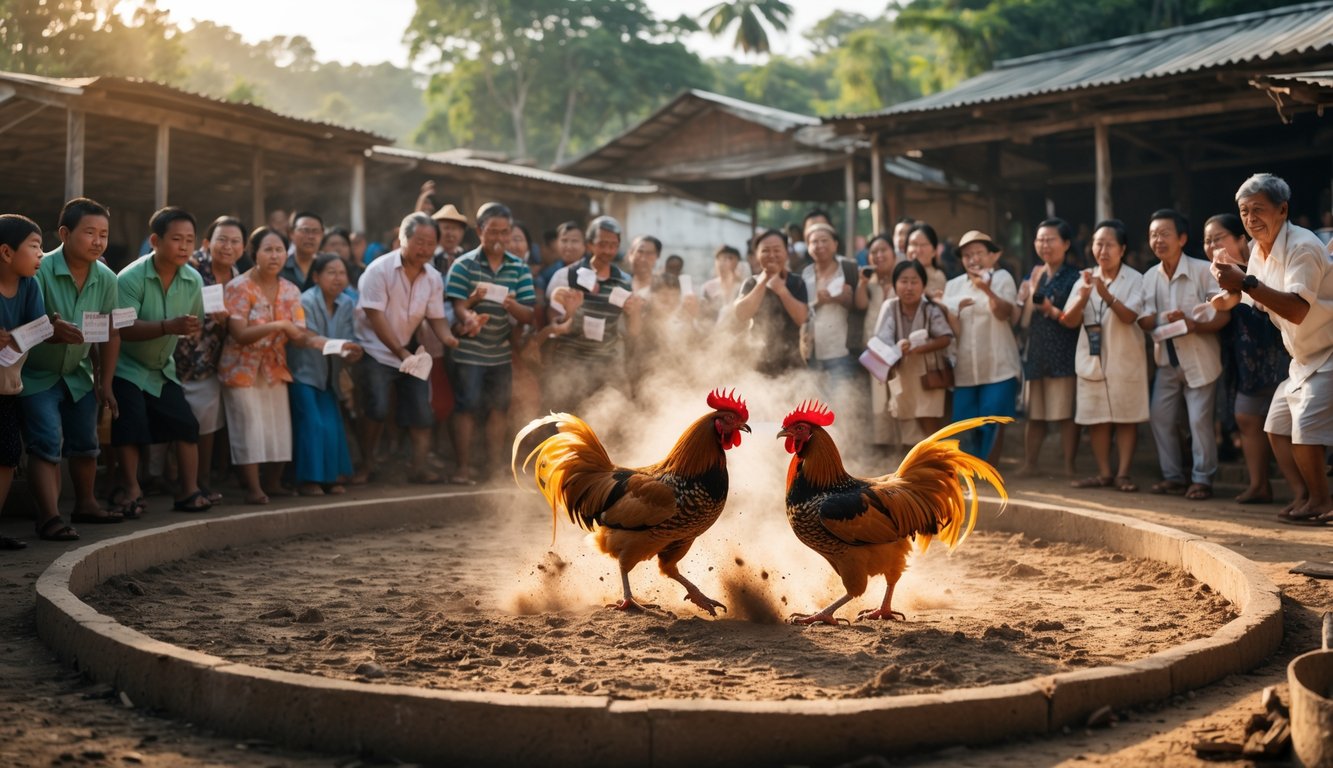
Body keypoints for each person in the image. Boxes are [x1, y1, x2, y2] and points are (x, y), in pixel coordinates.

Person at [1212, 174, 1333, 525]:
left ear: (1282, 210)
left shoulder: (1303, 246)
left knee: (1305, 427)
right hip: (1303, 356)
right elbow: (1256, 300)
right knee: (1276, 425)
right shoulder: (1259, 253)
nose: (1251, 219)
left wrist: (1244, 282)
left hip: (1328, 350)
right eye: (1244, 211)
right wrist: (1229, 295)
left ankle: (1323, 501)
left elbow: (1295, 308)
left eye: (1258, 210)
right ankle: (1304, 496)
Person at [21, 198, 125, 542]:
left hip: (79, 375)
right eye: (89, 233)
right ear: (64, 233)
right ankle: (49, 517)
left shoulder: (107, 277)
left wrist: (105, 381)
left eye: (104, 234)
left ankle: (86, 504)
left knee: (86, 444)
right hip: (36, 374)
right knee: (46, 443)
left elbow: (109, 332)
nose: (98, 241)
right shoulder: (37, 270)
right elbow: (22, 325)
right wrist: (50, 331)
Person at [110, 206, 210, 515]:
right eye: (176, 239)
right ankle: (131, 491)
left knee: (186, 425)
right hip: (125, 366)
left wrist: (191, 329)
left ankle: (189, 491)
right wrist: (169, 326)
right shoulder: (130, 277)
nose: (183, 247)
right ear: (155, 240)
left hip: (162, 368)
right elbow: (122, 328)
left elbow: (195, 322)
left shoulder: (193, 279)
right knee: (130, 426)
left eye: (189, 240)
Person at [352, 212, 460, 484]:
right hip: (375, 349)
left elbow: (436, 317)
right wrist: (401, 353)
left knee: (422, 412)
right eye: (419, 241)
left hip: (411, 350)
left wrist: (451, 339)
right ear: (402, 238)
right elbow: (375, 318)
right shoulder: (378, 270)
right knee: (375, 408)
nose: (424, 249)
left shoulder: (433, 277)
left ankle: (419, 467)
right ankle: (366, 465)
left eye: (430, 243)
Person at [218, 227, 314, 504]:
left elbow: (299, 334)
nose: (275, 255)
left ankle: (272, 482)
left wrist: (332, 344)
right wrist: (280, 325)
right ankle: (252, 487)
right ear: (254, 253)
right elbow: (239, 334)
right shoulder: (238, 287)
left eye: (280, 249)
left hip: (274, 366)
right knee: (247, 426)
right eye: (268, 249)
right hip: (240, 367)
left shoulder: (291, 290)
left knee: (276, 426)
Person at [1139, 208, 1228, 501]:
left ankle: (1202, 479)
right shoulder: (1150, 276)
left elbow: (1223, 315)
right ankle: (1173, 477)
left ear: (1182, 238)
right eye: (1153, 235)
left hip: (1199, 358)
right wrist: (1150, 321)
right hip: (1166, 360)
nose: (1158, 240)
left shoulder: (1204, 270)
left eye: (1165, 233)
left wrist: (1192, 323)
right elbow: (1146, 318)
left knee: (1199, 421)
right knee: (1160, 418)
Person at [444, 203, 536, 484]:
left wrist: (511, 304)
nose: (499, 237)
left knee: (499, 409)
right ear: (479, 231)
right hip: (469, 350)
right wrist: (471, 306)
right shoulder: (464, 264)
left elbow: (529, 312)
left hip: (500, 351)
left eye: (504, 232)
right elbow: (456, 306)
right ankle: (463, 467)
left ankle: (495, 468)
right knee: (466, 407)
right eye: (492, 231)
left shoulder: (519, 267)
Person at [1059, 220, 1149, 492]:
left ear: (1122, 249)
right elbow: (1068, 320)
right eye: (1098, 243)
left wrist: (1104, 294)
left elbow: (1130, 316)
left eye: (1109, 244)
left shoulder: (1136, 279)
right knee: (1097, 419)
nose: (1103, 249)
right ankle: (1104, 472)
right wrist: (1084, 295)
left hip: (1125, 359)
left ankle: (1123, 474)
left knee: (1126, 417)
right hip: (1092, 361)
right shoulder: (1084, 278)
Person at [1205, 212, 1287, 504]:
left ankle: (1303, 492)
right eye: (1207, 241)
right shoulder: (1217, 272)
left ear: (1241, 238)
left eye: (1218, 238)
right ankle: (1259, 485)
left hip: (1280, 352)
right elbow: (1224, 304)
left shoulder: (1265, 261)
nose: (1212, 245)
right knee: (1246, 417)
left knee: (1284, 423)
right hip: (1245, 357)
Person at [175, 215, 243, 504]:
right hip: (177, 355)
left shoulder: (239, 275)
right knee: (179, 422)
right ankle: (172, 479)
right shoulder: (190, 267)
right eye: (222, 240)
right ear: (207, 243)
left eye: (235, 241)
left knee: (206, 424)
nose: (228, 246)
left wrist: (227, 321)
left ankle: (200, 480)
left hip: (213, 360)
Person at [0, 214, 59, 544]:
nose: (41, 254)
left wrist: (51, 328)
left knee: (8, 455)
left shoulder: (29, 285)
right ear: (6, 252)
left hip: (6, 386)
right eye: (34, 246)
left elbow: (38, 329)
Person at [542, 216, 641, 411]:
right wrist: (569, 313)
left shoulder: (624, 281)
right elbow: (552, 323)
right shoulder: (566, 275)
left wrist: (636, 313)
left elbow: (634, 331)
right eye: (602, 244)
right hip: (570, 363)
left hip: (608, 365)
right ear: (589, 245)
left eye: (613, 245)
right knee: (570, 422)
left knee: (611, 421)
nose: (608, 250)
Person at [941, 230, 1020, 462]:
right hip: (964, 369)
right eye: (967, 255)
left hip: (998, 367)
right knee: (963, 424)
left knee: (993, 422)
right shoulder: (953, 286)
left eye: (979, 253)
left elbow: (1004, 313)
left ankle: (989, 472)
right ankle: (970, 472)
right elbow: (947, 324)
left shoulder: (1003, 277)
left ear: (994, 256)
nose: (973, 259)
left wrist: (985, 288)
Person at [288, 254, 363, 496]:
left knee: (332, 425)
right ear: (317, 276)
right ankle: (308, 480)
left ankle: (330, 478)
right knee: (313, 423)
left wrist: (352, 352)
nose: (338, 278)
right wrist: (334, 344)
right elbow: (302, 337)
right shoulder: (305, 300)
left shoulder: (347, 303)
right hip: (303, 373)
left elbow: (350, 339)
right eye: (331, 272)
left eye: (342, 272)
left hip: (330, 377)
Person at [1017, 217, 1081, 477]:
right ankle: (1030, 464)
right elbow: (1022, 320)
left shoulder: (1074, 277)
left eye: (1050, 239)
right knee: (1035, 415)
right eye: (1040, 239)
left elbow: (1073, 318)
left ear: (1065, 244)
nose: (1045, 245)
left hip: (1064, 353)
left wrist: (1038, 298)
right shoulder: (1032, 276)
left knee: (1065, 414)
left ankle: (1069, 466)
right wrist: (1029, 292)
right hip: (1037, 353)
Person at [875, 260, 954, 440]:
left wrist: (921, 348)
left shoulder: (930, 309)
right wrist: (896, 348)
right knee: (906, 424)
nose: (909, 287)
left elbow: (946, 338)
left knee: (929, 425)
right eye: (904, 281)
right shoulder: (890, 306)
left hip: (928, 374)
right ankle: (912, 467)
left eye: (914, 281)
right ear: (895, 284)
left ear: (923, 285)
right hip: (902, 373)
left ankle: (938, 466)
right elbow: (881, 340)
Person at [801, 222, 859, 414]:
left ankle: (843, 442)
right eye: (814, 241)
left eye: (824, 240)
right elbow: (803, 309)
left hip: (842, 350)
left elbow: (859, 305)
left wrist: (841, 299)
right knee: (817, 409)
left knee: (842, 406)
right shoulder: (806, 273)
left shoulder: (849, 268)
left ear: (835, 244)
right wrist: (817, 302)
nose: (819, 245)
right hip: (813, 351)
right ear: (808, 246)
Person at [734, 229, 808, 376]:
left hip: (792, 361)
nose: (772, 255)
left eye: (777, 250)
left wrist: (781, 290)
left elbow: (803, 319)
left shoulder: (797, 282)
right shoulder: (751, 282)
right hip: (757, 359)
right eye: (766, 250)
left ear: (786, 253)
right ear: (757, 255)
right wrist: (763, 281)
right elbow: (741, 314)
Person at [855, 234, 899, 449]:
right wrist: (862, 283)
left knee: (900, 397)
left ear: (894, 253)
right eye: (874, 252)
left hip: (900, 351)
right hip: (874, 351)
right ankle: (883, 447)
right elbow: (860, 304)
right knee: (878, 401)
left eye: (884, 250)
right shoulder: (870, 283)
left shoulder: (903, 279)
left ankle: (906, 446)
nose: (879, 255)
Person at [699, 245, 743, 328]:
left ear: (737, 262)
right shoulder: (708, 287)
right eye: (719, 259)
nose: (723, 262)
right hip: (712, 333)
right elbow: (703, 315)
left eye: (729, 258)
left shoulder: (742, 286)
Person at [280, 211, 323, 290]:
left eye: (315, 231)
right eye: (305, 230)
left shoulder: (326, 266)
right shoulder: (280, 265)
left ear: (322, 235)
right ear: (291, 233)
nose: (311, 236)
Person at [904, 223, 948, 297]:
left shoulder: (937, 277)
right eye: (913, 244)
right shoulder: (900, 274)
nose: (918, 250)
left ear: (934, 251)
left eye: (923, 245)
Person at [320, 226, 362, 294]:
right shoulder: (317, 272)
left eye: (344, 244)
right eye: (333, 244)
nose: (339, 249)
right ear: (322, 248)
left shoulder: (361, 272)